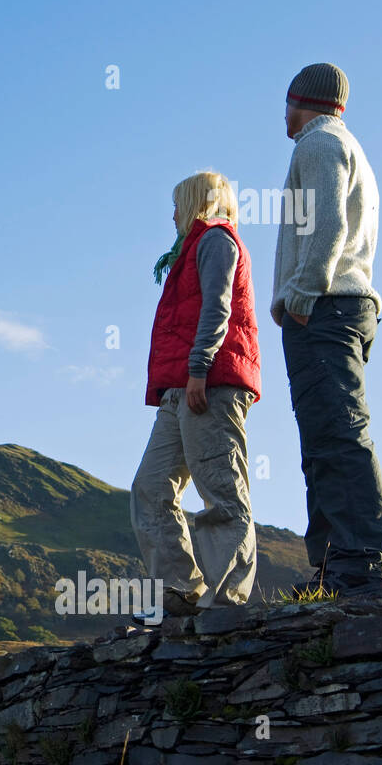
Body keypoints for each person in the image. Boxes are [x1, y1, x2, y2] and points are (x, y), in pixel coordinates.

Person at [272, 63, 382, 597]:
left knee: (339, 434)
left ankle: (361, 563)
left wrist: (301, 294)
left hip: (325, 309)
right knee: (325, 437)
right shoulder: (347, 146)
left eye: (287, 101)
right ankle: (333, 566)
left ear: (300, 101)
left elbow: (328, 225)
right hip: (340, 309)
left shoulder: (317, 145)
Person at [131, 171, 262, 621]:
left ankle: (227, 597)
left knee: (221, 487)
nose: (171, 215)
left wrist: (199, 370)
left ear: (195, 202)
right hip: (180, 388)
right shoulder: (188, 251)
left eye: (177, 204)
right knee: (150, 488)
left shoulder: (216, 241)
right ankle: (178, 589)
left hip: (207, 384)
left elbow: (217, 307)